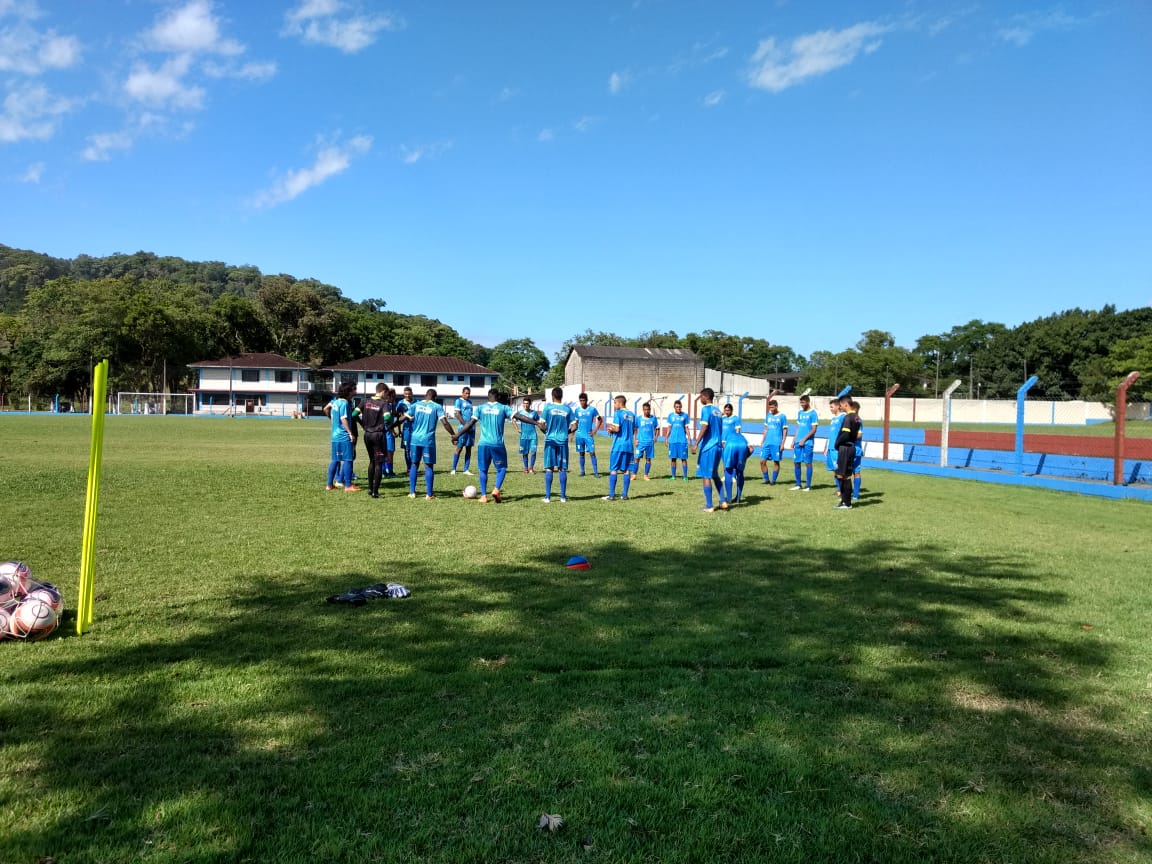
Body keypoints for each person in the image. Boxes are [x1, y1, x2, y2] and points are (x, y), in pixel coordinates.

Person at [455, 388, 515, 503]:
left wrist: (457, 435)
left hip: (483, 444)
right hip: (497, 444)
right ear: (497, 397)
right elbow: (520, 417)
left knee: (483, 470)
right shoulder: (503, 408)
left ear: (488, 397)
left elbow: (469, 423)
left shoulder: (480, 408)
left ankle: (483, 496)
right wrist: (536, 423)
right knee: (501, 468)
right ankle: (496, 489)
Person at [406, 389, 455, 500]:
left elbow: (405, 417)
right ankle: (429, 494)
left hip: (414, 439)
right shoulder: (437, 407)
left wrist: (392, 426)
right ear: (435, 397)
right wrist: (453, 434)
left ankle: (412, 492)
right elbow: (445, 422)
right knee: (428, 466)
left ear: (425, 396)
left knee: (414, 464)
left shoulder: (416, 405)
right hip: (427, 440)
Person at [691, 387, 727, 512]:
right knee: (715, 474)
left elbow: (704, 427)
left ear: (706, 397)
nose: (700, 399)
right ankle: (723, 501)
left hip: (709, 447)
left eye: (701, 397)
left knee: (706, 475)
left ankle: (709, 506)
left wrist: (696, 443)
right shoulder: (718, 411)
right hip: (718, 447)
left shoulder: (706, 409)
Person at [538, 387, 576, 502]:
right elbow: (575, 426)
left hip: (550, 441)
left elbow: (541, 424)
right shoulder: (567, 409)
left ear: (552, 396)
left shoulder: (548, 408)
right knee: (562, 468)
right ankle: (563, 497)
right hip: (562, 441)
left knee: (549, 468)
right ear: (561, 396)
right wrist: (566, 432)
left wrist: (546, 432)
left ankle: (548, 497)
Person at [325, 381, 360, 493]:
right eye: (354, 389)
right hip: (344, 436)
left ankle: (329, 485)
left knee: (335, 460)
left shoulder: (335, 402)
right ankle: (348, 485)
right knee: (348, 459)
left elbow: (327, 410)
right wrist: (350, 432)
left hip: (335, 436)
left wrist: (332, 421)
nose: (355, 391)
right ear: (349, 391)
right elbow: (343, 419)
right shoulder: (344, 403)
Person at [359, 382, 392, 498]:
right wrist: (390, 425)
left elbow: (354, 414)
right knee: (379, 463)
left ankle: (369, 488)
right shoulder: (383, 403)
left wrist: (362, 424)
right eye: (386, 393)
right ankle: (375, 492)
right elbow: (387, 417)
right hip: (378, 435)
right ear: (382, 391)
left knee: (372, 461)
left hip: (367, 435)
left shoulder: (365, 401)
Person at [602, 395, 636, 501]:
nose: (614, 405)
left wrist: (610, 429)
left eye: (615, 403)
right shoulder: (632, 415)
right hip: (629, 446)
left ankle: (611, 495)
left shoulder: (618, 413)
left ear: (620, 403)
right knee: (626, 470)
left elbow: (617, 429)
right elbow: (633, 429)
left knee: (613, 469)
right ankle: (624, 495)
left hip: (618, 446)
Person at [834, 395, 862, 509]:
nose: (840, 407)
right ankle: (844, 501)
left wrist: (837, 444)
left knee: (844, 476)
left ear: (846, 404)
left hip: (845, 448)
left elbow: (845, 434)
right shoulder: (856, 417)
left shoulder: (848, 417)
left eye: (840, 405)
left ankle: (847, 503)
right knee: (841, 474)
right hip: (851, 447)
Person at [790, 394, 818, 491]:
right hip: (798, 442)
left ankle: (808, 485)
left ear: (808, 402)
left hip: (807, 443)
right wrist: (794, 440)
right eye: (800, 402)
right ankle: (798, 484)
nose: (801, 404)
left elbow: (814, 430)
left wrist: (804, 439)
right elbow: (797, 428)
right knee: (796, 462)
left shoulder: (813, 413)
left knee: (808, 463)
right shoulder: (800, 413)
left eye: (803, 402)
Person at [758, 399, 788, 485]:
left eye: (772, 407)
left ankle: (773, 481)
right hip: (767, 442)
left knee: (776, 461)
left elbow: (785, 430)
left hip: (776, 443)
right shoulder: (768, 416)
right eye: (770, 407)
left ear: (776, 406)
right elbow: (766, 429)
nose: (771, 408)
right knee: (762, 461)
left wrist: (782, 443)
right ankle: (766, 480)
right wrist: (762, 440)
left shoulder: (782, 416)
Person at [573, 392, 602, 477]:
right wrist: (572, 434)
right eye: (581, 400)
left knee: (592, 453)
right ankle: (582, 471)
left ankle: (596, 472)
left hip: (588, 435)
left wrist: (595, 430)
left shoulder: (592, 409)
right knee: (581, 453)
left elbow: (600, 420)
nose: (582, 402)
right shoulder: (577, 410)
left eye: (583, 400)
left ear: (586, 400)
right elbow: (576, 423)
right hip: (579, 435)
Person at [722, 428, 754, 505]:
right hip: (742, 446)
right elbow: (751, 449)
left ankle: (729, 499)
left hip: (730, 446)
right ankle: (738, 498)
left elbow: (723, 446)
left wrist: (727, 462)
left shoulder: (726, 435)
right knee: (740, 472)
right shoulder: (742, 436)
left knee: (728, 471)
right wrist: (744, 458)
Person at [664, 399, 691, 480]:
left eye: (679, 407)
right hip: (673, 441)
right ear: (674, 407)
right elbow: (669, 428)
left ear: (681, 407)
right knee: (673, 459)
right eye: (677, 407)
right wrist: (666, 438)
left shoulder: (685, 416)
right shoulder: (670, 416)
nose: (678, 408)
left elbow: (686, 428)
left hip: (682, 440)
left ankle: (685, 477)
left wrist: (689, 438)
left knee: (684, 459)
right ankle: (673, 476)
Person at [632, 401, 659, 481]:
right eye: (645, 409)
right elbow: (635, 430)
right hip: (640, 442)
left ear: (650, 410)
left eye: (648, 409)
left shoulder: (653, 418)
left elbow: (657, 428)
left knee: (648, 459)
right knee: (636, 458)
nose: (646, 411)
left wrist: (656, 437)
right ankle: (634, 475)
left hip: (650, 442)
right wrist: (635, 439)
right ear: (643, 410)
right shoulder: (639, 419)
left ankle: (646, 475)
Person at [451, 386, 475, 475]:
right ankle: (453, 469)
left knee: (468, 449)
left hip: (471, 429)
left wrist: (470, 426)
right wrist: (466, 425)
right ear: (462, 393)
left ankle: (466, 469)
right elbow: (457, 414)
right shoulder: (458, 401)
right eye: (466, 393)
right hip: (463, 428)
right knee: (459, 448)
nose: (468, 395)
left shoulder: (470, 402)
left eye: (469, 393)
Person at [516, 397, 540, 473]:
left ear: (530, 404)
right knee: (525, 453)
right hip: (524, 436)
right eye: (524, 403)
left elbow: (539, 421)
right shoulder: (520, 413)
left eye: (527, 403)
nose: (525, 405)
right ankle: (526, 468)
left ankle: (531, 468)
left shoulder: (534, 413)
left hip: (533, 435)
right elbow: (513, 419)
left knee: (533, 452)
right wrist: (517, 428)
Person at [825, 398, 844, 492]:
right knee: (835, 470)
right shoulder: (833, 419)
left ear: (838, 406)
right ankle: (839, 489)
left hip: (838, 448)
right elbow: (831, 434)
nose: (830, 409)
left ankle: (842, 490)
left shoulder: (843, 417)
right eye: (830, 407)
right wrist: (826, 447)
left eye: (832, 407)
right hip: (831, 448)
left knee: (839, 470)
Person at [397, 386, 415, 474]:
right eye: (406, 394)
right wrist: (399, 430)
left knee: (414, 448)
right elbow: (399, 417)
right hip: (406, 430)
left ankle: (414, 467)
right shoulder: (400, 403)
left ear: (412, 394)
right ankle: (409, 468)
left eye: (409, 394)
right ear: (404, 394)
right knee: (407, 449)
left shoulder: (416, 403)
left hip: (416, 430)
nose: (407, 396)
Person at [851, 398, 864, 502]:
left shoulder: (857, 420)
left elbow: (859, 435)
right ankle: (850, 493)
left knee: (856, 472)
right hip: (850, 449)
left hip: (855, 449)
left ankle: (855, 495)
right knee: (848, 472)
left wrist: (848, 437)